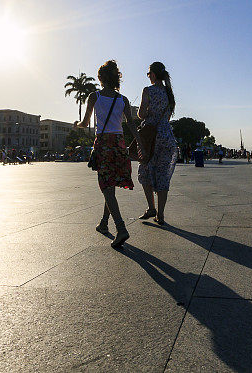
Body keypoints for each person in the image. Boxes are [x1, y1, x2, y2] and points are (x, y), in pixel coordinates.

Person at [75, 60, 142, 248]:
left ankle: (121, 229)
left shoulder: (94, 96)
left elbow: (86, 121)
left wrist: (77, 125)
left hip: (104, 144)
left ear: (101, 78)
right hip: (119, 144)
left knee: (106, 186)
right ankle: (104, 223)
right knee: (111, 185)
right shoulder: (124, 99)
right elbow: (131, 124)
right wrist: (140, 144)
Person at [137, 61, 179, 226]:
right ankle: (160, 215)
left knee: (145, 172)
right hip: (166, 137)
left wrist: (148, 113)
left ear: (153, 74)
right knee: (162, 176)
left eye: (148, 74)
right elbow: (167, 118)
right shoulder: (169, 94)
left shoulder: (148, 91)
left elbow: (141, 114)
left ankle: (151, 208)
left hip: (151, 138)